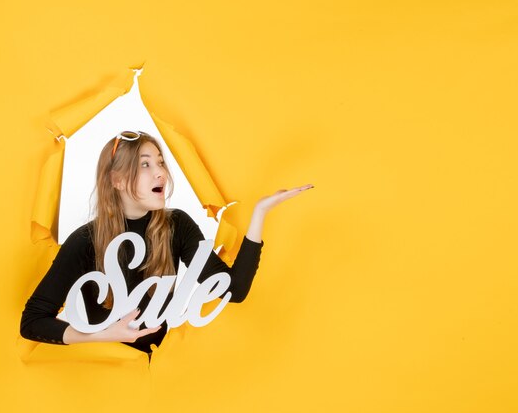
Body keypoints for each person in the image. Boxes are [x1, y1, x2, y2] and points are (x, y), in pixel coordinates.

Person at [20, 131, 313, 354]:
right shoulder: (85, 240)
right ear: (117, 180)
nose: (160, 171)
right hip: (107, 379)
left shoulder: (177, 227)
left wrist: (259, 214)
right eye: (145, 164)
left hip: (165, 378)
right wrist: (103, 335)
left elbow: (233, 291)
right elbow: (32, 322)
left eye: (160, 162)